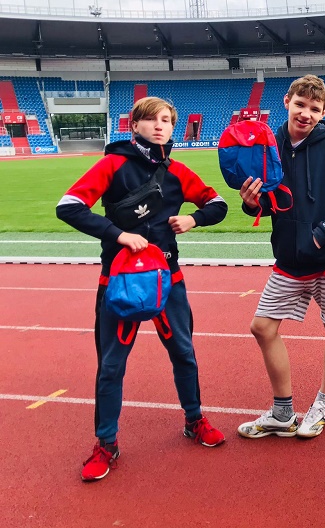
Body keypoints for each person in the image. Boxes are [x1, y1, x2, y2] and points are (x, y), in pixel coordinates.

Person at [56, 96, 229, 482]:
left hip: (168, 282)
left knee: (184, 354)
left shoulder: (178, 171)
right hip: (120, 282)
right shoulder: (112, 164)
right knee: (111, 366)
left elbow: (218, 204)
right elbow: (68, 206)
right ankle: (106, 443)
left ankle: (194, 420)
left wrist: (195, 219)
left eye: (167, 120)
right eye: (151, 119)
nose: (160, 125)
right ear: (135, 125)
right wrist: (118, 234)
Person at [237, 75, 325, 440]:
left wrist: (320, 235)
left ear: (323, 113)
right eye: (300, 105)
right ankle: (282, 412)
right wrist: (252, 203)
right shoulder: (269, 146)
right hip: (290, 259)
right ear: (287, 102)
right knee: (262, 327)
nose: (306, 114)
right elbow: (268, 200)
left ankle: (323, 404)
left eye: (314, 108)